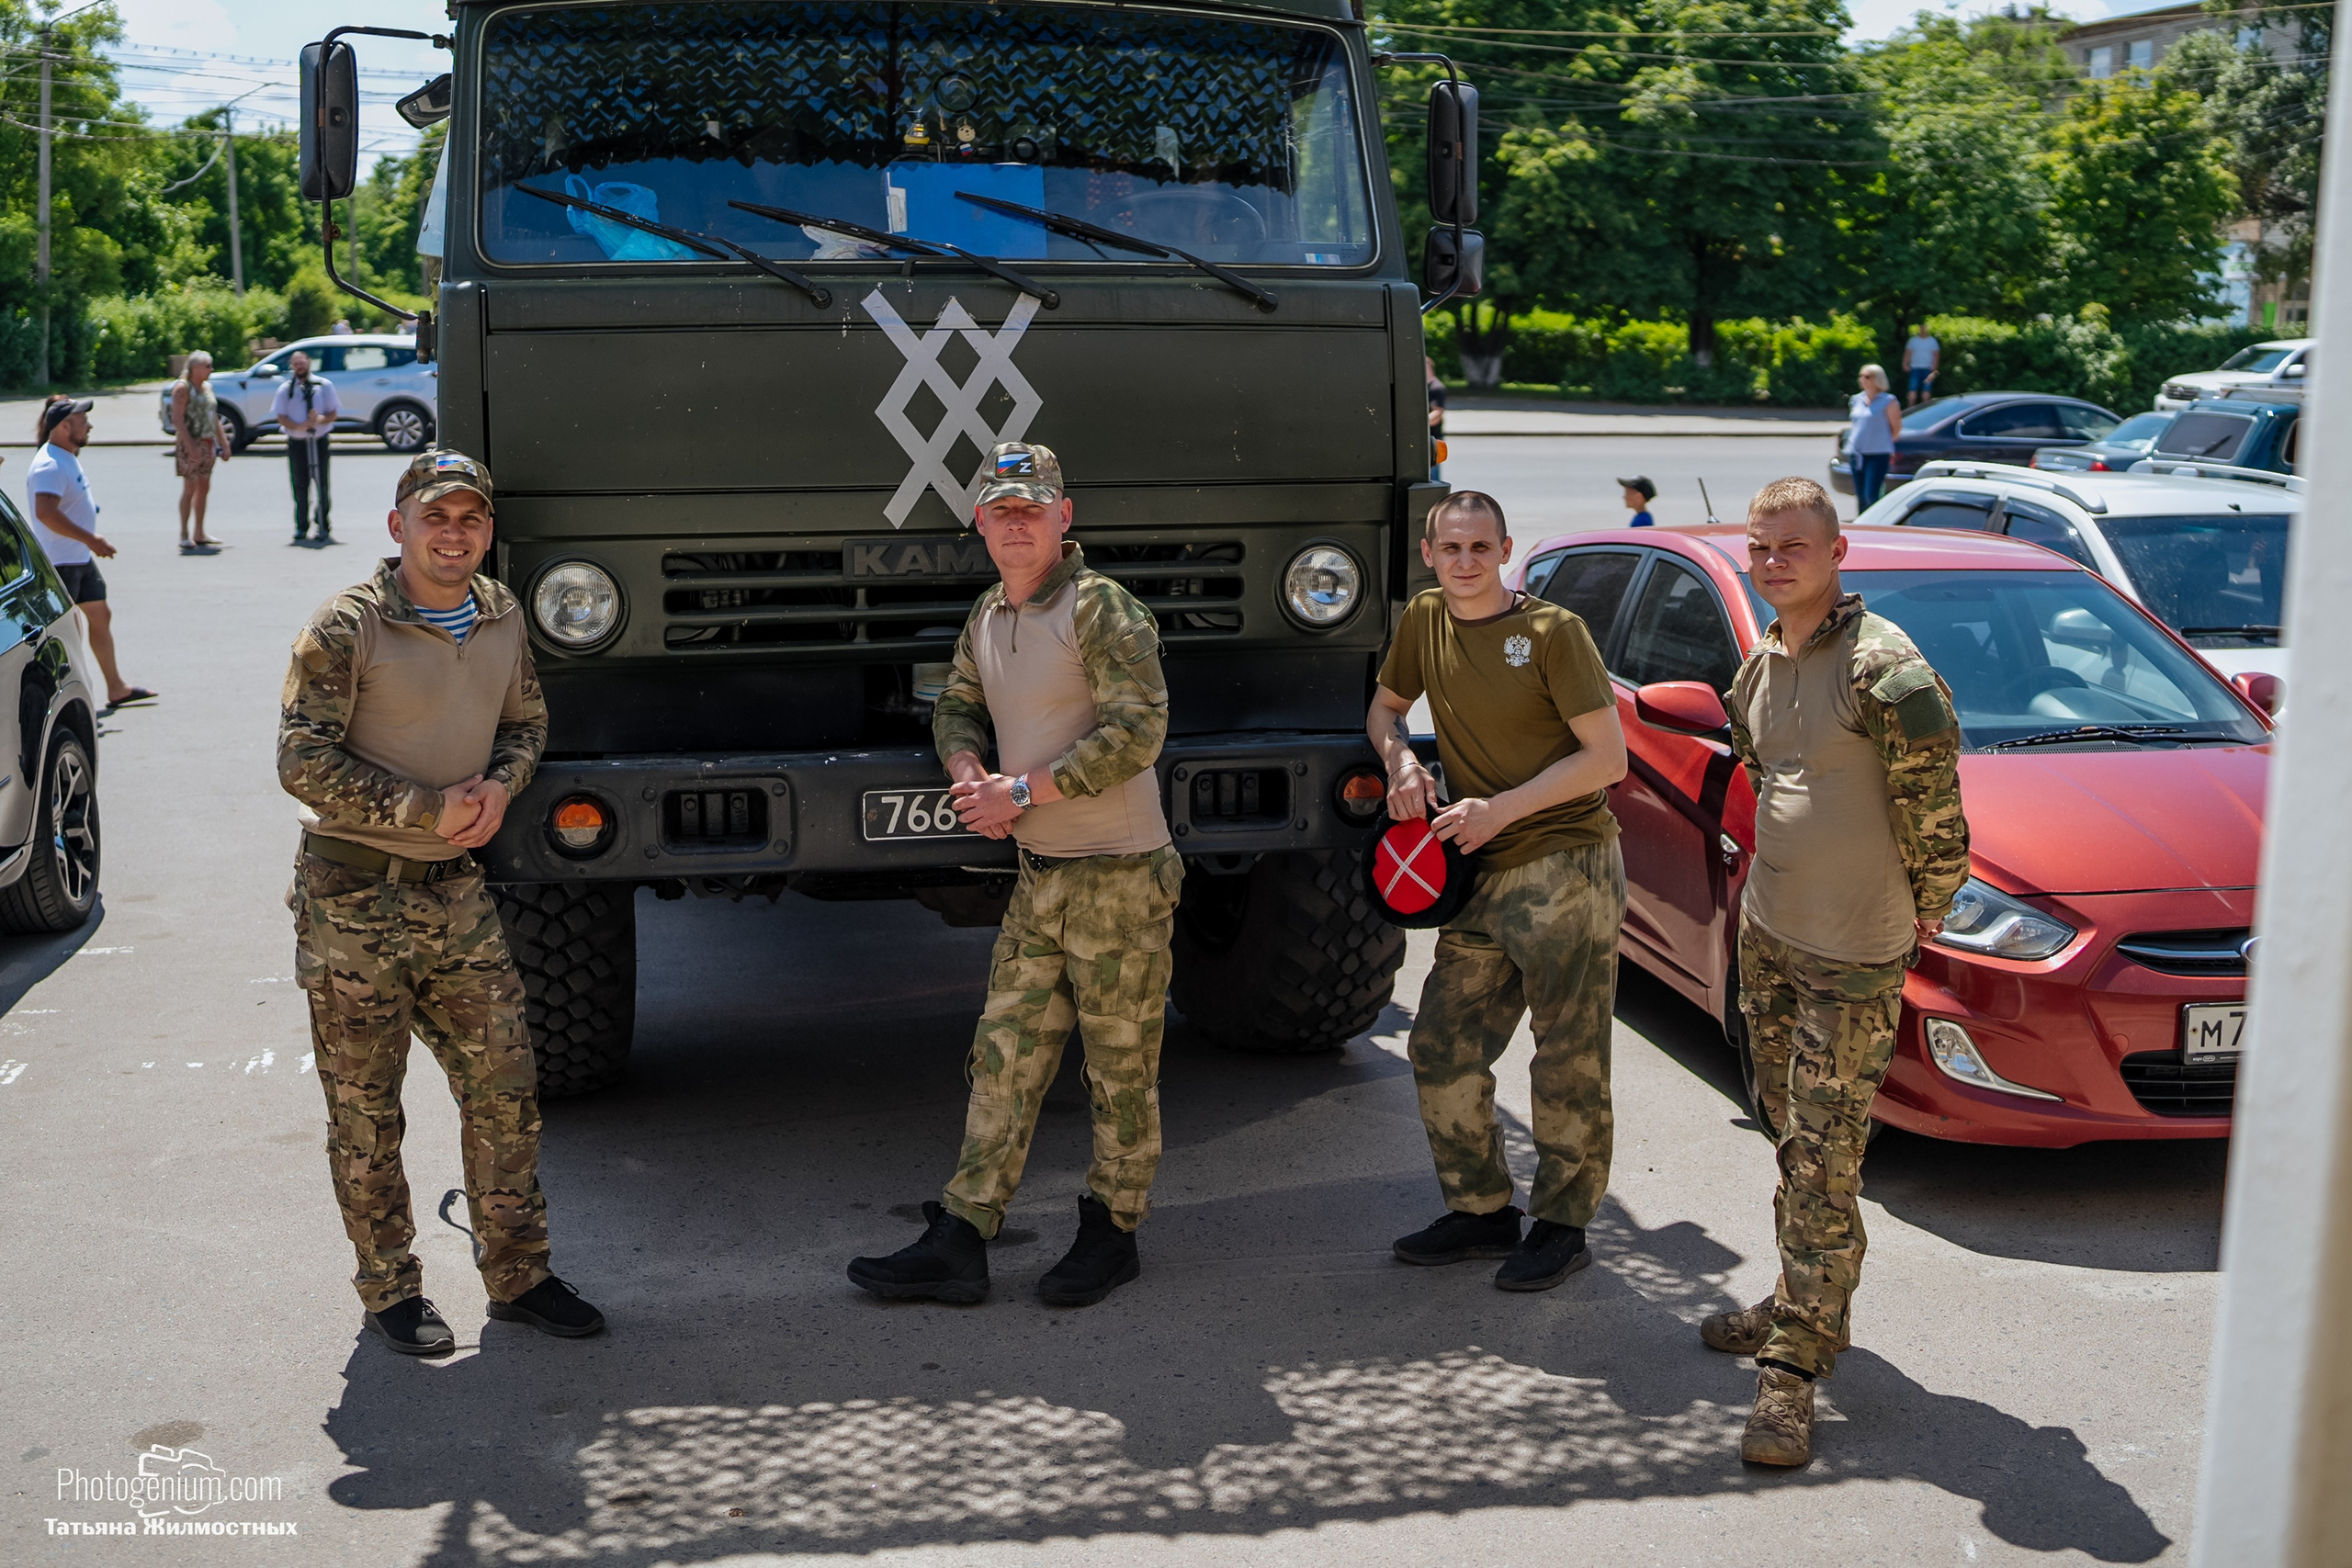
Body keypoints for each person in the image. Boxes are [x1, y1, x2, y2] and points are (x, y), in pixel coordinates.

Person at [277, 446, 605, 1356]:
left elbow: (525, 723)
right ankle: (389, 1291)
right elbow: (299, 760)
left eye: (469, 518)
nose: (452, 534)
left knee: (506, 1091)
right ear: (398, 527)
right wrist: (424, 808)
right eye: (435, 517)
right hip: (354, 901)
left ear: (487, 531)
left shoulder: (500, 617)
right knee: (366, 1111)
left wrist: (500, 788)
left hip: (456, 895)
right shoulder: (347, 628)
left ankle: (519, 1273)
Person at [846, 440, 1181, 1309]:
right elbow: (956, 698)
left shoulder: (1103, 608)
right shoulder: (989, 614)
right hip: (1041, 879)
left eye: (1033, 509)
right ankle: (964, 1236)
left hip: (1118, 876)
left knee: (1120, 1068)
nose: (1018, 523)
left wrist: (1022, 790)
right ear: (980, 523)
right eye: (1002, 511)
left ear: (1064, 517)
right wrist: (967, 774)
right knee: (1003, 1058)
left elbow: (1139, 732)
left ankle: (1114, 1233)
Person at [1701, 477, 1968, 1466]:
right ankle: (1797, 1295)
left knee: (1824, 1159)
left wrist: (1924, 908)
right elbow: (1764, 776)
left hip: (1853, 957)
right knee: (1786, 1131)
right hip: (1769, 937)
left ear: (1837, 551)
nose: (1774, 563)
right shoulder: (1759, 664)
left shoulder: (1886, 670)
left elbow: (1936, 813)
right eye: (1760, 547)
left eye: (1792, 547)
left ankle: (1793, 1371)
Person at [1365, 491, 1629, 1292]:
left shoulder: (1553, 633)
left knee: (1567, 1058)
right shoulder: (1424, 619)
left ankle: (1562, 1224)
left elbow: (1607, 757)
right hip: (1475, 868)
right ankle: (1481, 1211)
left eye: (1482, 548)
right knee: (1440, 1044)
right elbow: (1385, 709)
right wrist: (1402, 762)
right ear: (1429, 553)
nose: (1467, 562)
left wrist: (1499, 809)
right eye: (1452, 549)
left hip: (1564, 861)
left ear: (1505, 549)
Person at [27, 397, 156, 710]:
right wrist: (92, 539)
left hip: (78, 558)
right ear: (64, 426)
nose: (90, 426)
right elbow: (45, 513)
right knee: (66, 633)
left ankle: (116, 688)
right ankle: (63, 699)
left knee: (100, 616)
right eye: (83, 421)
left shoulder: (66, 455)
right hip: (61, 562)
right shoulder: (49, 464)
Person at [273, 349, 340, 545]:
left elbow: (333, 413)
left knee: (322, 485)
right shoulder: (286, 389)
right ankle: (301, 526)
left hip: (319, 441)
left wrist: (319, 419)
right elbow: (281, 417)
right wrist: (298, 426)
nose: (299, 367)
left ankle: (323, 525)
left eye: (302, 362)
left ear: (309, 363)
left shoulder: (323, 385)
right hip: (298, 443)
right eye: (295, 364)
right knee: (300, 486)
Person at [170, 350, 232, 552]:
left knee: (204, 487)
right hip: (191, 443)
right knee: (190, 488)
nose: (211, 370)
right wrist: (190, 445)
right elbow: (177, 419)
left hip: (207, 443)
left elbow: (213, 417)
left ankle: (199, 531)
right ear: (195, 367)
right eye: (208, 366)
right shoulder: (182, 388)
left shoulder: (207, 388)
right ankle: (184, 534)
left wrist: (223, 443)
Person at [1844, 365, 1901, 512]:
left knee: (1871, 495)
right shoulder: (1856, 399)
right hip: (1857, 453)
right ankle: (1861, 527)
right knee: (1861, 496)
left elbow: (1896, 428)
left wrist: (1884, 443)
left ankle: (1874, 527)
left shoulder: (1888, 401)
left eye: (1867, 376)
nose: (1862, 379)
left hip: (1878, 453)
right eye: (1861, 376)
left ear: (1878, 379)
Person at [1901, 323, 1939, 406]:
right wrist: (1905, 364)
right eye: (1921, 328)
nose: (1922, 330)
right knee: (1912, 390)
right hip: (1914, 368)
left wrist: (1934, 366)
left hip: (1928, 369)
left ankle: (1926, 408)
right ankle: (1910, 408)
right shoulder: (1913, 340)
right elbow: (1908, 353)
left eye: (1924, 328)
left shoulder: (1932, 341)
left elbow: (1936, 355)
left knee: (1926, 390)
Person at [1427, 355, 1448, 482]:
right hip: (1428, 437)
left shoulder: (1436, 387)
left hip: (1433, 438)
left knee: (1433, 476)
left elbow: (1437, 413)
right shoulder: (1425, 386)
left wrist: (1419, 425)